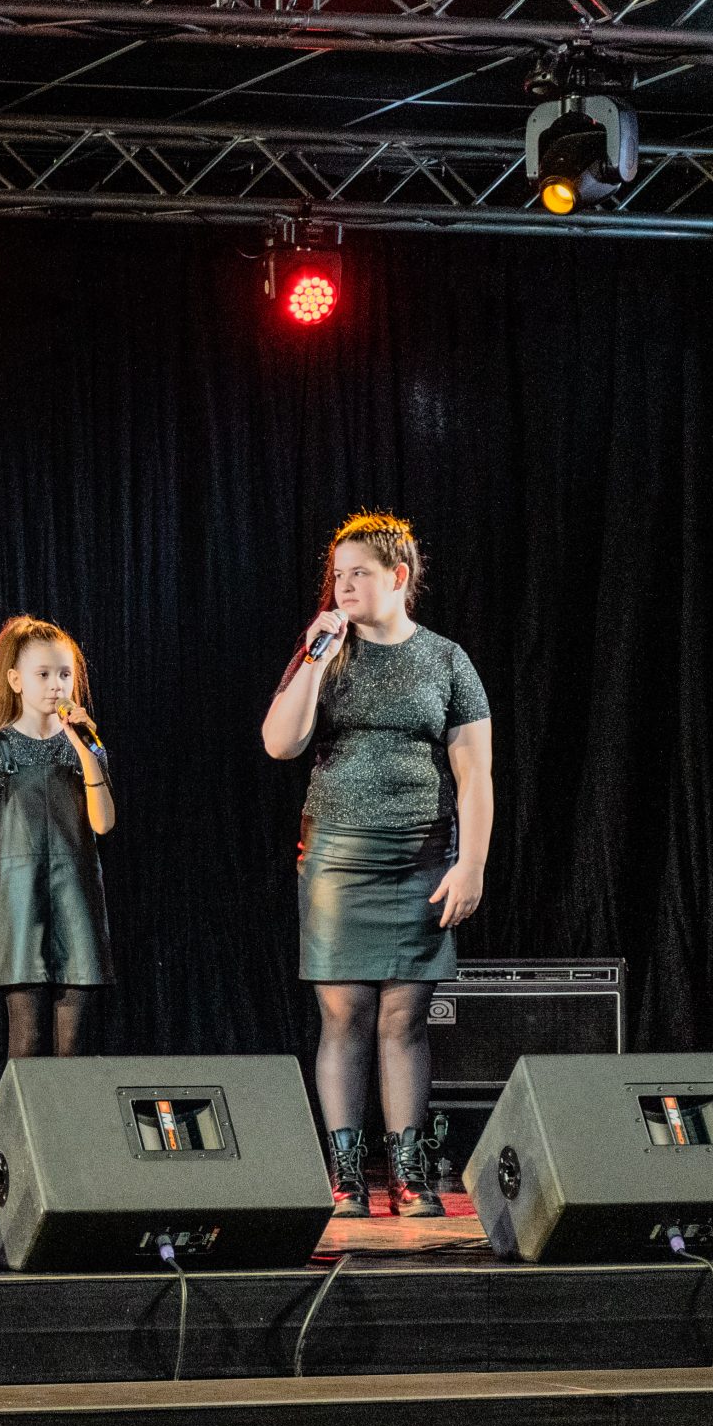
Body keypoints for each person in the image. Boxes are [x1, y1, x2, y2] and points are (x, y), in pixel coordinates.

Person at [263, 512, 493, 1218]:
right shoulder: (325, 653)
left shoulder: (447, 660)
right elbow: (280, 743)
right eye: (337, 574)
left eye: (358, 572)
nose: (343, 585)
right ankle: (345, 1174)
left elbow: (476, 775)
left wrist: (472, 862)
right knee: (346, 1013)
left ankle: (410, 1173)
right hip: (338, 854)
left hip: (421, 854)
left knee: (404, 1017)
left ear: (398, 577)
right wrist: (312, 657)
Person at [0, 616, 115, 1056]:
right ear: (16, 681)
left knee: (74, 1045)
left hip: (75, 900)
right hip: (18, 904)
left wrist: (87, 749)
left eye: (64, 675)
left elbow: (103, 823)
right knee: (26, 1038)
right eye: (43, 675)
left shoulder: (84, 746)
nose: (55, 686)